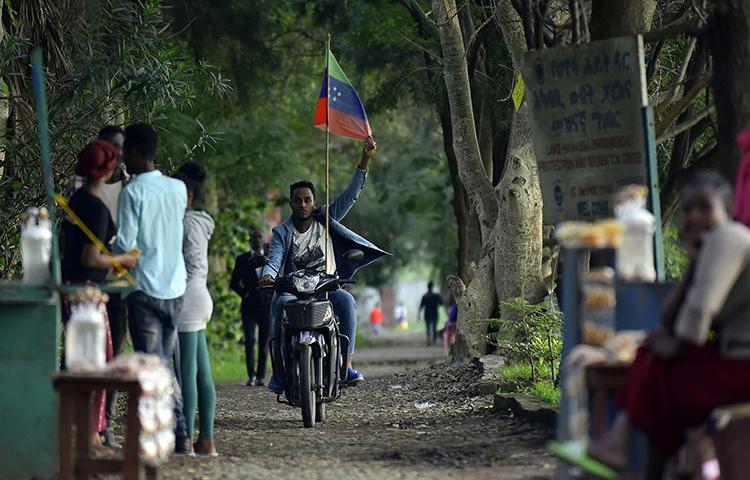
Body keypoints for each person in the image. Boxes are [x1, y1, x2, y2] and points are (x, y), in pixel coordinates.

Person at [581, 174, 750, 479]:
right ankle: (640, 454)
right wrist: (692, 268)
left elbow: (701, 308)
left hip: (742, 364)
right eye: (687, 209)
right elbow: (670, 317)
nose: (694, 216)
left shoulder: (729, 237)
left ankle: (629, 447)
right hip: (735, 358)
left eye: (704, 207)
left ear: (727, 210)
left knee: (659, 370)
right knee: (656, 357)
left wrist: (679, 345)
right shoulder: (713, 246)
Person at [259, 136, 387, 392]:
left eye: (308, 199)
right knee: (278, 305)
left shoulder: (326, 219)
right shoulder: (283, 232)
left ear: (313, 202)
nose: (303, 204)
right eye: (298, 200)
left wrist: (365, 159)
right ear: (291, 203)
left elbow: (351, 196)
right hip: (292, 292)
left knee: (347, 301)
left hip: (326, 288)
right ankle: (280, 372)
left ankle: (346, 365)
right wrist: (268, 275)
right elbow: (274, 258)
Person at [114, 122, 191, 453]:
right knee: (164, 363)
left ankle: (169, 434)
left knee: (152, 366)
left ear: (132, 152)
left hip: (144, 289)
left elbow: (127, 248)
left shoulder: (132, 192)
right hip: (176, 288)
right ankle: (177, 434)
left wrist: (106, 251)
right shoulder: (177, 188)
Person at [61, 141, 139, 449]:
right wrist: (124, 260)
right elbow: (90, 258)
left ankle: (74, 427)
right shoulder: (96, 208)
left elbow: (67, 243)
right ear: (108, 171)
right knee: (99, 361)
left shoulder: (75, 200)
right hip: (88, 293)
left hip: (70, 287)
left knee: (77, 359)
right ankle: (90, 431)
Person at [174, 162, 218, 457]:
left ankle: (186, 440)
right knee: (202, 372)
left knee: (186, 373)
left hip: (186, 299)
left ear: (187, 194)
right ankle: (207, 441)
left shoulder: (181, 223)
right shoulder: (203, 221)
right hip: (201, 296)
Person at [230, 228, 272, 387]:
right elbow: (234, 283)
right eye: (253, 237)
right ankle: (251, 376)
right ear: (250, 241)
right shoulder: (242, 259)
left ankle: (261, 376)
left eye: (259, 237)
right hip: (248, 307)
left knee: (263, 342)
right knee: (250, 340)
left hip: (266, 305)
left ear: (264, 239)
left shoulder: (270, 257)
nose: (256, 240)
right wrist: (244, 294)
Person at [419, 282, 443, 346]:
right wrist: (437, 305)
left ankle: (428, 341)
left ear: (427, 287)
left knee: (428, 328)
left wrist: (418, 315)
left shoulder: (425, 296)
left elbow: (421, 306)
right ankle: (434, 342)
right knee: (434, 328)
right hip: (435, 313)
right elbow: (441, 303)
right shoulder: (436, 295)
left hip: (427, 314)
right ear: (432, 287)